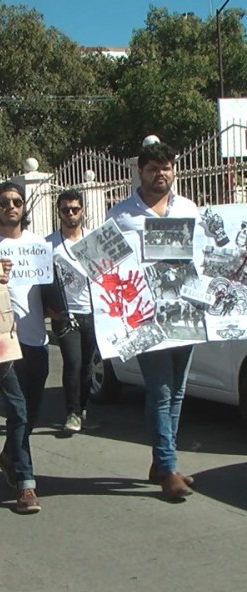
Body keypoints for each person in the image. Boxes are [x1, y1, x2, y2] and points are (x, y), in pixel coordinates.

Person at [107, 142, 201, 500]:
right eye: (153, 168)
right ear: (140, 172)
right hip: (145, 317)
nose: (160, 174)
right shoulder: (121, 215)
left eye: (166, 167)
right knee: (160, 392)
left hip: (185, 312)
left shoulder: (189, 208)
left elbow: (205, 255)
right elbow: (104, 264)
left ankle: (164, 462)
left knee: (177, 391)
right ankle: (168, 469)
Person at [0, 181, 49, 514]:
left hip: (37, 340)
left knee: (31, 413)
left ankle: (8, 455)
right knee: (16, 410)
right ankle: (25, 483)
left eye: (16, 201)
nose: (11, 207)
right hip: (2, 341)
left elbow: (52, 287)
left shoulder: (39, 244)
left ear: (23, 207)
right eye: (4, 203)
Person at [45, 189, 99, 434]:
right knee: (73, 363)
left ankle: (83, 409)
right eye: (65, 209)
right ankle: (72, 413)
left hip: (94, 312)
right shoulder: (49, 244)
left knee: (89, 364)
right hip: (66, 315)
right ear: (59, 212)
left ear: (82, 211)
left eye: (75, 209)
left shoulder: (94, 240)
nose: (70, 214)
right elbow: (41, 281)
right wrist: (49, 310)